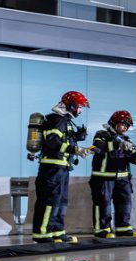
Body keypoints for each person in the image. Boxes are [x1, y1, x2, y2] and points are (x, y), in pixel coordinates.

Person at [32, 91, 92, 244]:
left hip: (61, 168)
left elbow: (63, 140)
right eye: (79, 107)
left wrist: (76, 138)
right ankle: (43, 234)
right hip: (52, 168)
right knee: (49, 201)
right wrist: (75, 150)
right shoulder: (56, 120)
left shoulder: (64, 121)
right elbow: (53, 141)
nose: (80, 110)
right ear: (72, 106)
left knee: (61, 201)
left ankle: (57, 231)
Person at [89, 110, 136, 238]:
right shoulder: (101, 134)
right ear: (114, 122)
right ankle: (102, 230)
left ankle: (123, 228)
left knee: (124, 203)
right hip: (103, 178)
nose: (125, 127)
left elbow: (131, 157)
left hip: (123, 179)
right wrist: (118, 144)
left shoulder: (126, 140)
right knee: (103, 204)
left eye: (127, 126)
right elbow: (98, 146)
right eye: (123, 124)